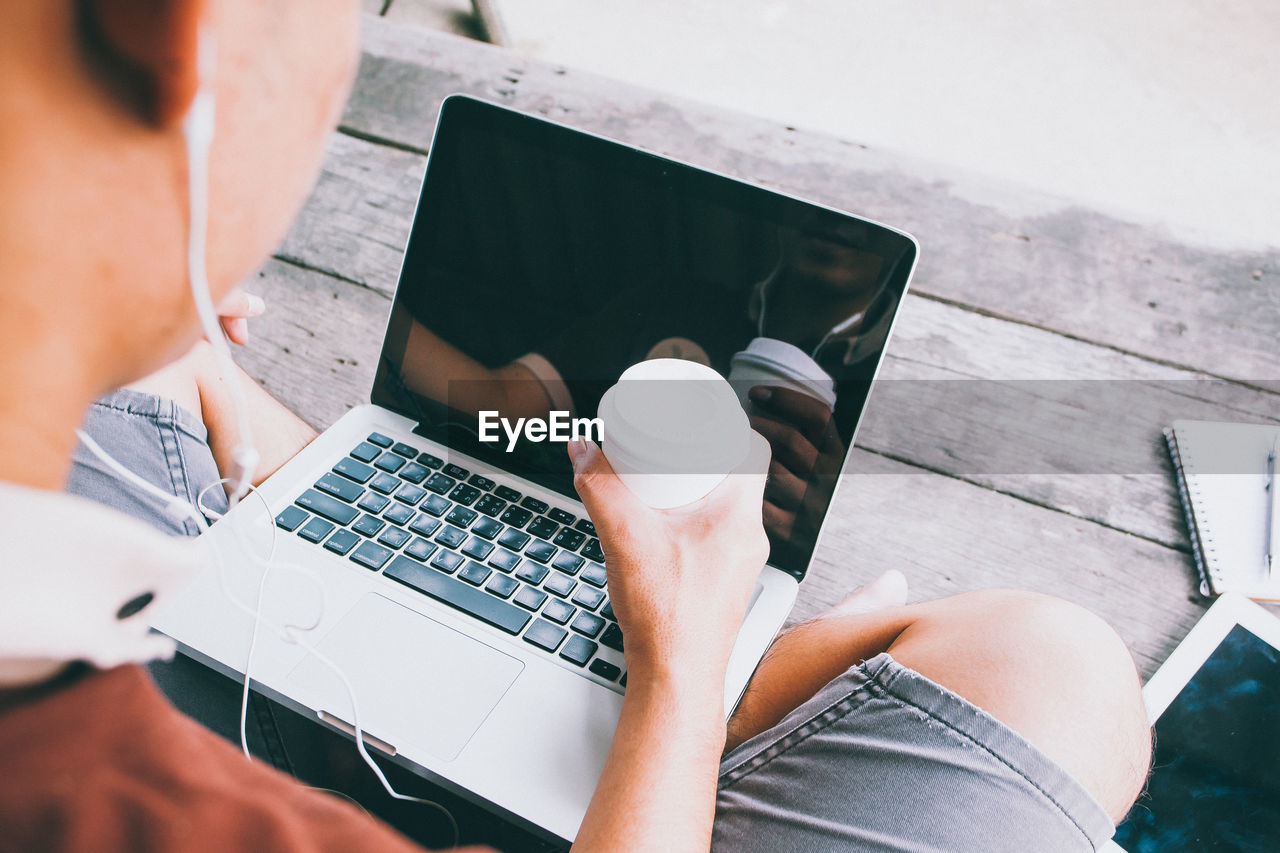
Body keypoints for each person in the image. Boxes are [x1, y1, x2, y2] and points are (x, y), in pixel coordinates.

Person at [0, 2, 1152, 851]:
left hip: (340, 573)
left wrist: (148, 326)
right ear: (186, 32)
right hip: (601, 720)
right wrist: (684, 661)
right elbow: (503, 402)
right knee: (1058, 670)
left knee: (1046, 662)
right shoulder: (122, 799)